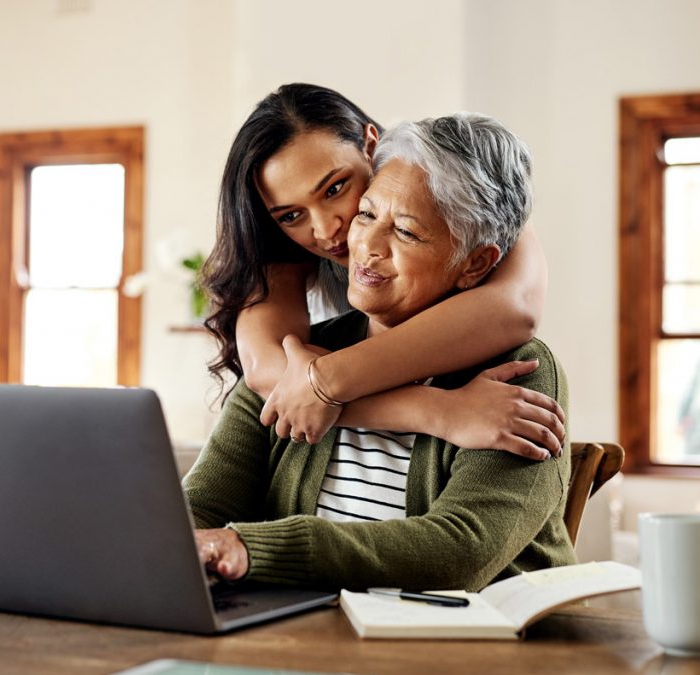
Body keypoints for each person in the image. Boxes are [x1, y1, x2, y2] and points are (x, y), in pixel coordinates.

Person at [185, 113, 577, 591]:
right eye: (367, 214)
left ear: (475, 264)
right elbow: (200, 507)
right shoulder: (300, 358)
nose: (362, 245)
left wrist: (254, 549)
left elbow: (459, 552)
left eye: (407, 232)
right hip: (312, 648)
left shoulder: (523, 371)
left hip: (469, 654)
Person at [202, 84, 565, 461]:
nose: (327, 230)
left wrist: (327, 380)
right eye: (292, 215)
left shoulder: (461, 187)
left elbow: (515, 308)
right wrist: (437, 411)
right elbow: (269, 372)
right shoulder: (281, 250)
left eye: (335, 188)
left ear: (370, 145)